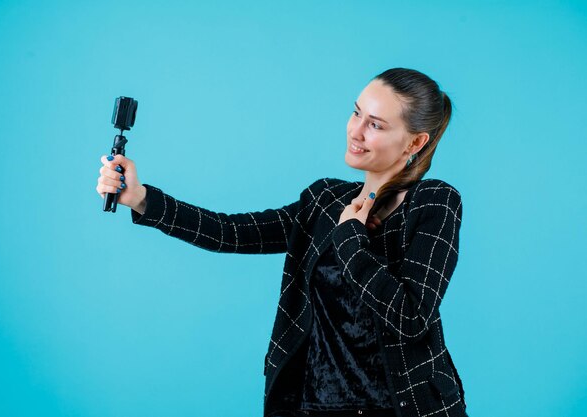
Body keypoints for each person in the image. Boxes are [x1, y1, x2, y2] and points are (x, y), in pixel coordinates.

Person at [96, 67, 468, 417]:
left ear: (415, 142)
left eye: (375, 125)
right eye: (356, 114)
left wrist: (351, 237)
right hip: (315, 406)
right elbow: (230, 233)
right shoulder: (324, 200)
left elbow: (411, 316)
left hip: (405, 407)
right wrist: (142, 198)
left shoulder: (433, 202)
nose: (356, 131)